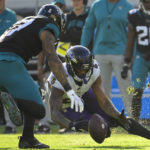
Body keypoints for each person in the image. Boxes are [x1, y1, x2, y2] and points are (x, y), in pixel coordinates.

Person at [0, 4, 84, 149]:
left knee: (36, 92)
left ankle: (27, 139)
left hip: (8, 62)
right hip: (9, 62)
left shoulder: (27, 21)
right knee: (39, 109)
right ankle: (9, 95)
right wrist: (69, 90)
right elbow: (53, 58)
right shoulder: (47, 25)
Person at [49, 45, 150, 140]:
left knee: (118, 119)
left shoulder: (94, 68)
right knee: (99, 128)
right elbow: (54, 112)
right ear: (70, 66)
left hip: (84, 94)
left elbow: (103, 100)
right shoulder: (59, 76)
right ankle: (99, 126)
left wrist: (118, 115)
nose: (83, 72)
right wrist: (71, 125)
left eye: (86, 68)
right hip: (67, 105)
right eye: (79, 69)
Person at [81, 0, 134, 117]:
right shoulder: (97, 5)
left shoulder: (127, 6)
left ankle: (134, 118)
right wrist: (82, 49)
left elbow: (133, 32)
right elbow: (88, 28)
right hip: (100, 53)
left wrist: (132, 55)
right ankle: (107, 118)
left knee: (127, 87)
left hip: (121, 53)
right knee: (101, 90)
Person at [36, 0, 67, 134]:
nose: (57, 9)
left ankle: (65, 124)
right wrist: (39, 66)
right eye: (55, 6)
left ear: (64, 7)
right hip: (52, 65)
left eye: (59, 6)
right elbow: (42, 49)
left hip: (66, 65)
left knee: (66, 97)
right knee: (48, 95)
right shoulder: (47, 25)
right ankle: (44, 124)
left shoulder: (67, 22)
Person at [121, 0, 150, 121]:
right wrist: (126, 62)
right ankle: (135, 122)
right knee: (137, 90)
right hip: (141, 56)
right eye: (146, 2)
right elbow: (131, 39)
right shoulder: (134, 15)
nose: (148, 5)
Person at [0, 0, 17, 133]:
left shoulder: (11, 16)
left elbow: (11, 36)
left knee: (8, 92)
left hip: (6, 57)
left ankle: (11, 124)